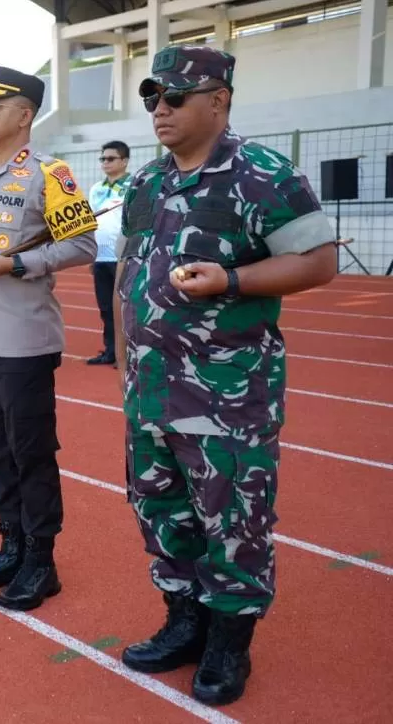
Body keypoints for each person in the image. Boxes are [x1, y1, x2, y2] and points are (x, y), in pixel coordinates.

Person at [118, 45, 337, 706]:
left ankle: (228, 642)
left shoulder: (264, 175)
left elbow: (320, 260)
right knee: (161, 511)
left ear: (219, 99)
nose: (161, 109)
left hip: (227, 394)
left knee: (234, 520)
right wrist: (126, 351)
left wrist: (233, 279)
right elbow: (130, 267)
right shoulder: (147, 183)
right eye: (153, 97)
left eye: (175, 97)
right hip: (151, 388)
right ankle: (184, 620)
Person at [0, 66, 97, 610]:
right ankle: (11, 545)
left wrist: (18, 264)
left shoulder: (49, 174)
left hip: (25, 341)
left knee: (30, 451)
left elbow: (84, 244)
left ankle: (42, 561)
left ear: (25, 114)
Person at [85, 140, 131, 367]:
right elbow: (91, 220)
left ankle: (129, 353)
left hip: (123, 256)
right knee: (105, 307)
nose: (105, 163)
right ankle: (111, 350)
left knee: (125, 306)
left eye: (110, 158)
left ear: (124, 161)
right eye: (102, 159)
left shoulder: (133, 185)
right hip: (101, 256)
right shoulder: (96, 188)